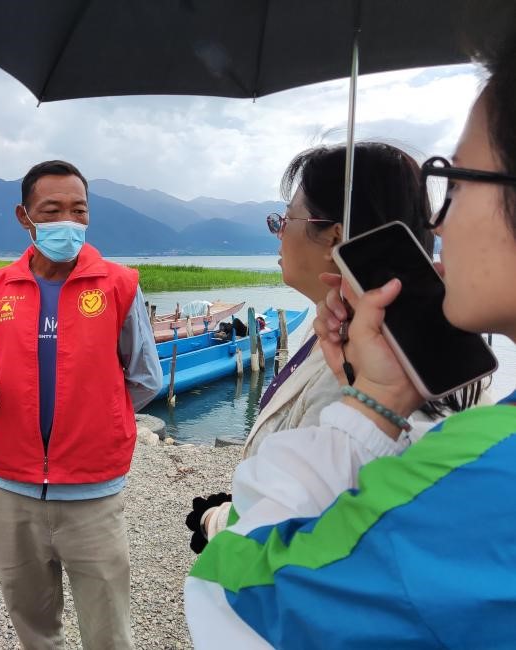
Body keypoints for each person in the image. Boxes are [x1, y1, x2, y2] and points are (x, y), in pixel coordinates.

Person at [185, 33, 516, 648]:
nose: (439, 224)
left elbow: (238, 596)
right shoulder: (353, 351)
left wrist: (370, 410)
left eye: (457, 184)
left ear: (332, 234)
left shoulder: (485, 471)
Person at [193, 143, 486, 543]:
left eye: (284, 220)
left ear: (335, 237)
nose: (278, 234)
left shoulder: (363, 376)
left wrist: (217, 522)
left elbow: (308, 522)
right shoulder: (334, 332)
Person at [0, 160, 162, 649]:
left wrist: (99, 417)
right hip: (13, 490)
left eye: (79, 211)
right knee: (33, 627)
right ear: (24, 216)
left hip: (93, 493)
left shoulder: (118, 285)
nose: (68, 221)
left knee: (108, 633)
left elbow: (146, 378)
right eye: (52, 210)